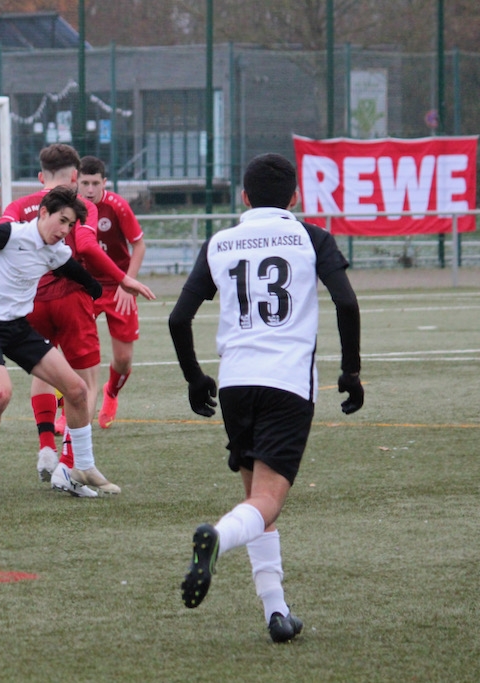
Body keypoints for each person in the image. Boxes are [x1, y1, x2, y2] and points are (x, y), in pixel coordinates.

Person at [168, 153, 364, 643]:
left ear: (244, 196)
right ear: (294, 197)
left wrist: (194, 377)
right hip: (286, 382)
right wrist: (351, 370)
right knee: (268, 501)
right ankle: (218, 538)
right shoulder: (311, 237)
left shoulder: (220, 241)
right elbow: (345, 301)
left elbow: (178, 318)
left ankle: (276, 611)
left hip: (236, 382)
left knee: (256, 499)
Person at [0, 186, 151, 500]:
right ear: (43, 212)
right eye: (62, 221)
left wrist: (116, 283)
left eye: (70, 225)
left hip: (18, 327)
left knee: (76, 389)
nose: (65, 230)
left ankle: (82, 466)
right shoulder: (9, 233)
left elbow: (77, 272)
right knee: (0, 394)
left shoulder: (56, 250)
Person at [77, 156, 147, 430]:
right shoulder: (72, 207)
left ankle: (111, 392)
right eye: (85, 183)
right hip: (85, 287)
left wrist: (128, 283)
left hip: (118, 286)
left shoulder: (117, 206)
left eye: (95, 183)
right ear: (76, 182)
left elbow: (139, 245)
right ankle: (69, 410)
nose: (90, 189)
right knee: (74, 352)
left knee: (123, 358)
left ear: (104, 182)